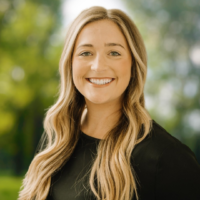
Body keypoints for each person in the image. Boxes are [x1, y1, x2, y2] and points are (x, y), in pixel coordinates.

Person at [18, 6, 200, 200]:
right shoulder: (56, 139)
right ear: (70, 63)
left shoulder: (168, 159)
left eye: (114, 53)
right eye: (86, 53)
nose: (98, 66)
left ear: (133, 63)